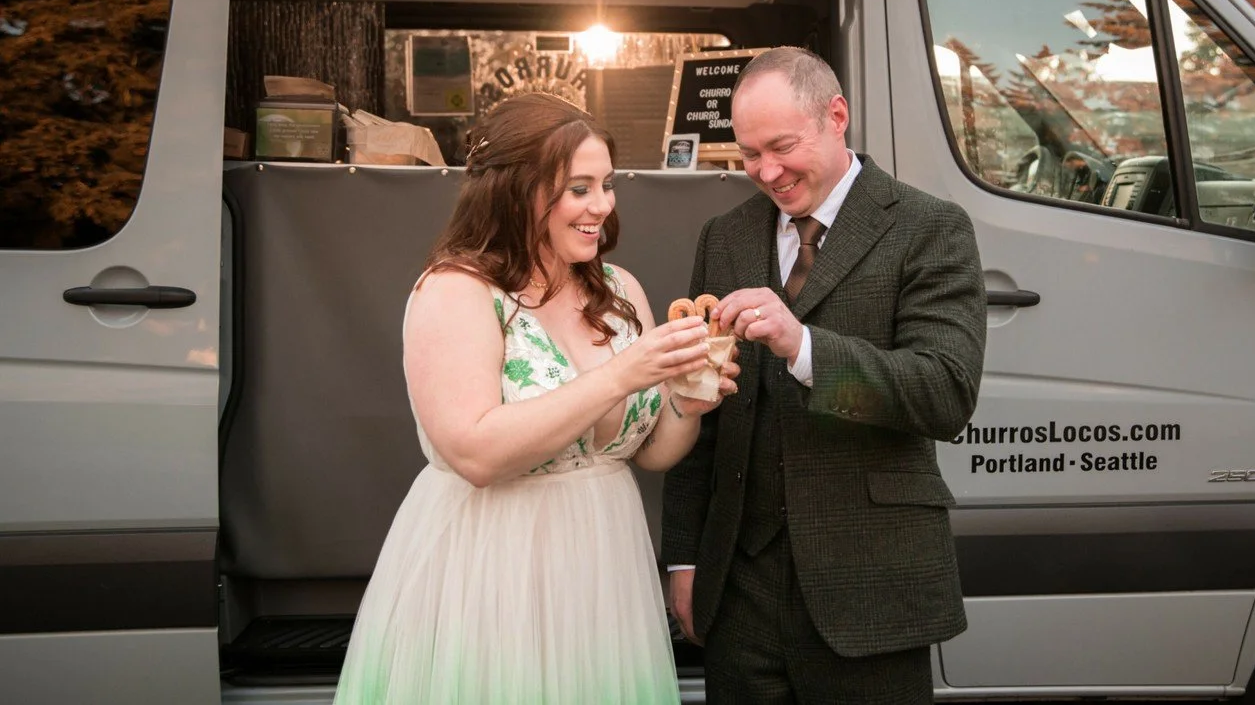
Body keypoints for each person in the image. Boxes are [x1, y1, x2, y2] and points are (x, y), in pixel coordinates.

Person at [333, 92, 737, 705]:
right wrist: (626, 373)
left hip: (604, 564)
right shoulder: (456, 290)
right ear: (518, 191)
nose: (601, 205)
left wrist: (687, 402)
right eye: (579, 188)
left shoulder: (617, 288)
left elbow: (649, 454)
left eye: (606, 185)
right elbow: (475, 454)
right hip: (495, 567)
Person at [661, 47, 987, 704]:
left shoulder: (929, 226)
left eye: (781, 146)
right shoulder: (722, 236)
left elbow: (944, 392)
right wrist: (684, 557)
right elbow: (700, 407)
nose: (766, 170)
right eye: (749, 153)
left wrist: (802, 346)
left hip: (870, 593)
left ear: (836, 115)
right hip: (739, 596)